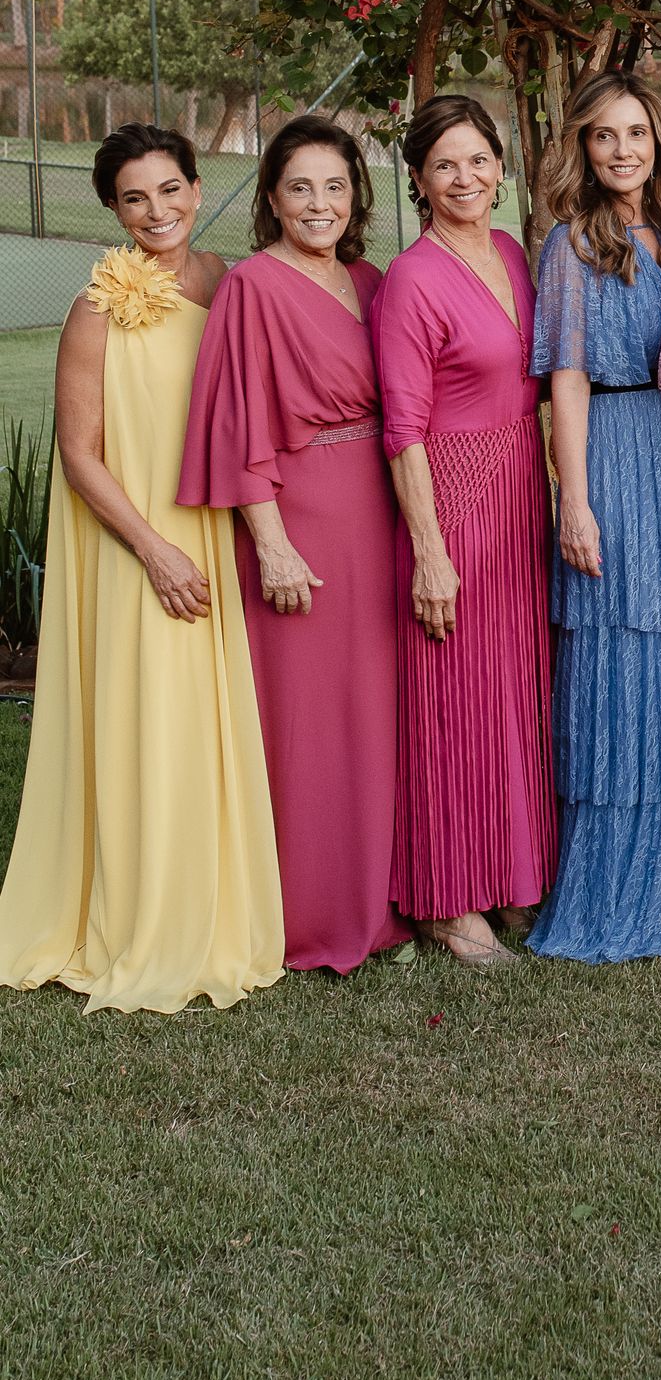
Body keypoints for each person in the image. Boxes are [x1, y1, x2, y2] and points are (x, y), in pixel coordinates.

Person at [0, 125, 282, 1013]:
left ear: (200, 189)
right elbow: (79, 456)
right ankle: (142, 917)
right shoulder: (97, 305)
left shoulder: (233, 287)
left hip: (214, 533)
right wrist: (154, 551)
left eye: (169, 190)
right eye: (134, 198)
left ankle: (211, 901)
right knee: (148, 721)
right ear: (113, 210)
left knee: (205, 722)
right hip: (135, 546)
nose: (155, 212)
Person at [179, 114, 408, 974]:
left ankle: (379, 901)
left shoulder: (374, 279)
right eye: (300, 187)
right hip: (301, 520)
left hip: (378, 516)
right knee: (308, 723)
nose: (320, 204)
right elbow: (237, 424)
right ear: (270, 197)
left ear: (358, 197)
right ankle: (307, 917)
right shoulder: (253, 289)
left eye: (336, 186)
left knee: (373, 712)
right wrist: (269, 545)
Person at [375, 96, 553, 969]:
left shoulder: (514, 253)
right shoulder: (412, 279)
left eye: (478, 160)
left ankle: (509, 871)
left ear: (499, 166)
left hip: (520, 490)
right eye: (444, 165)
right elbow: (401, 427)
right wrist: (432, 553)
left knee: (510, 691)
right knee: (453, 698)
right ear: (417, 180)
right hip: (453, 495)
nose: (465, 178)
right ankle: (448, 900)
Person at [526, 70, 661, 964]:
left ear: (657, 141)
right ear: (583, 149)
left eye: (635, 133)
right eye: (604, 136)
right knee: (620, 652)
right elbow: (565, 377)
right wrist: (576, 499)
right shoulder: (570, 245)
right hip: (616, 449)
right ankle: (612, 883)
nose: (622, 150)